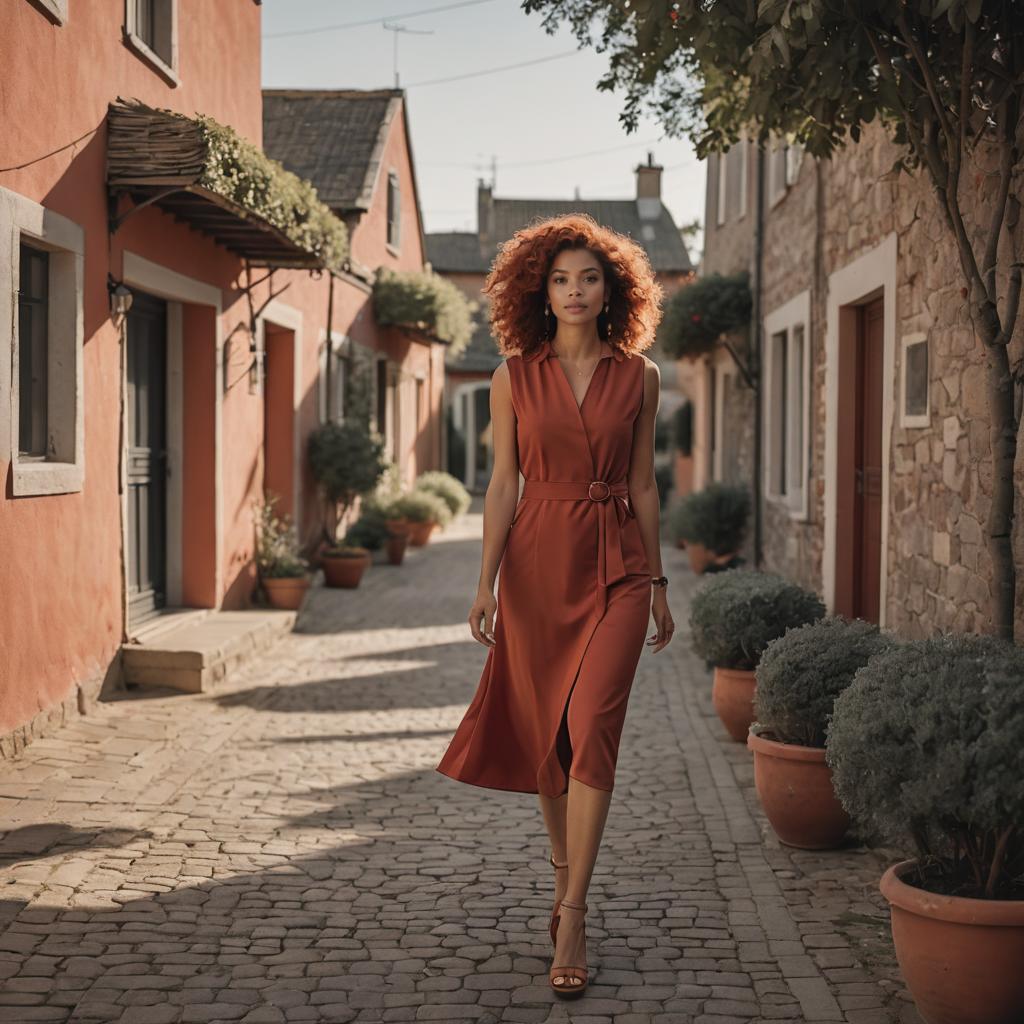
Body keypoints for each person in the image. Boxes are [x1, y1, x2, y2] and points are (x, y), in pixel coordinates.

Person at [435, 214, 675, 998]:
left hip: (620, 570)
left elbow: (643, 482)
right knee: (551, 741)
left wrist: (661, 582)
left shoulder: (640, 375)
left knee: (592, 724)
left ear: (614, 290)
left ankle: (571, 913)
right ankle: (564, 871)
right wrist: (483, 582)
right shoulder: (511, 375)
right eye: (562, 279)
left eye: (590, 278)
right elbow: (504, 482)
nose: (575, 291)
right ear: (541, 289)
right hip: (537, 567)